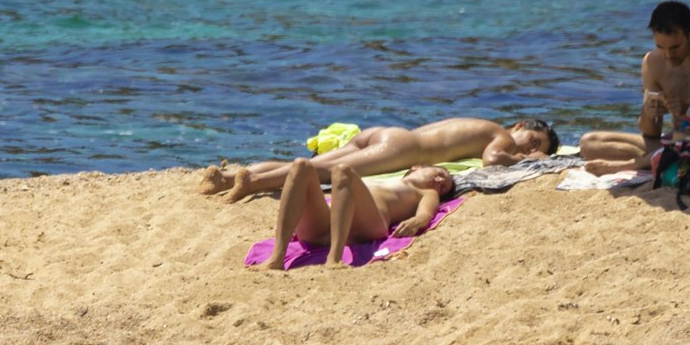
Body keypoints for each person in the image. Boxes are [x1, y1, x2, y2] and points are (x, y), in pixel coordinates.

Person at [202, 117, 557, 202]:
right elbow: (494, 160)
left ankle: (228, 177)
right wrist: (532, 161)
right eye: (532, 141)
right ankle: (254, 182)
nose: (528, 150)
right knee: (318, 172)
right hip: (401, 148)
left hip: (384, 133)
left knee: (302, 164)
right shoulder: (501, 135)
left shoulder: (482, 123)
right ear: (520, 125)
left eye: (534, 148)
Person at [579, 1, 690, 174]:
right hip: (674, 140)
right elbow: (651, 133)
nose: (668, 55)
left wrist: (687, 113)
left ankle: (640, 162)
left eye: (675, 47)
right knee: (590, 143)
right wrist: (649, 113)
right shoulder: (652, 62)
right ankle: (660, 158)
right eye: (660, 47)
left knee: (687, 141)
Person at [256, 161, 456, 270]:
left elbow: (426, 213)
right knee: (301, 166)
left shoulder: (425, 192)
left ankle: (334, 258)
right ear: (417, 167)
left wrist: (417, 221)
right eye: (439, 174)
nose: (439, 181)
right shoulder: (383, 180)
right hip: (324, 226)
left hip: (367, 225)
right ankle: (277, 258)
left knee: (343, 170)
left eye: (444, 186)